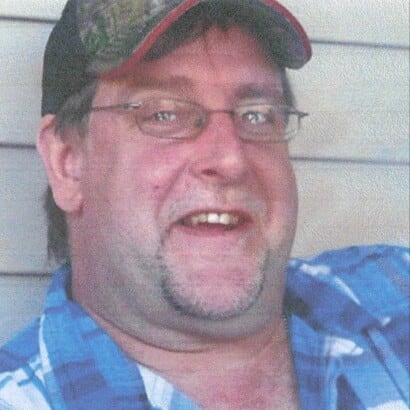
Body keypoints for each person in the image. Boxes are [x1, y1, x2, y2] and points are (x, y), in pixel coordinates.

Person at [0, 0, 408, 409]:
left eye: (257, 115)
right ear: (67, 163)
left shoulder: (395, 290)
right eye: (164, 114)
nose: (231, 159)